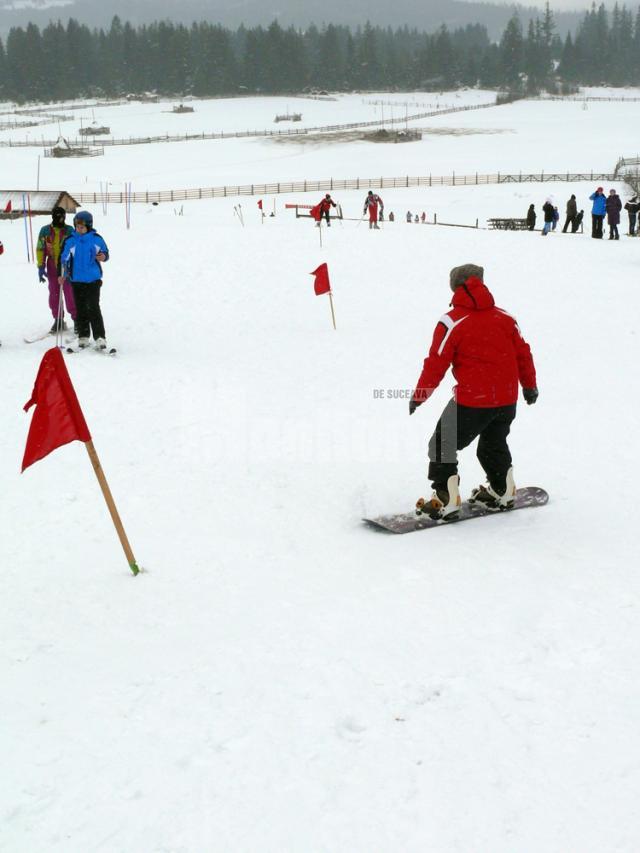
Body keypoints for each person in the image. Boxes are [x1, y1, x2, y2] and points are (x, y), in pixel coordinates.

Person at [409, 263, 538, 520]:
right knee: (492, 445)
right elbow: (523, 354)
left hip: (473, 400)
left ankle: (446, 499)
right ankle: (503, 491)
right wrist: (530, 386)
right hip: (506, 399)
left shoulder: (452, 321)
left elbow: (436, 362)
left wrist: (419, 395)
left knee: (442, 444)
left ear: (456, 287)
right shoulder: (506, 318)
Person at [58, 211, 110, 349]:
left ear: (89, 226)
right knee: (80, 308)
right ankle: (83, 336)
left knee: (93, 307)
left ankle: (100, 337)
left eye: (82, 227)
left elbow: (105, 253)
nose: (79, 229)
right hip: (77, 281)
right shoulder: (70, 241)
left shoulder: (96, 239)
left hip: (93, 280)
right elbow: (63, 258)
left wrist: (103, 257)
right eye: (77, 226)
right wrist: (61, 274)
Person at [36, 206, 76, 334]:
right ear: (52, 216)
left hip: (67, 266)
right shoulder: (45, 231)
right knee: (54, 293)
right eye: (57, 216)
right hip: (52, 265)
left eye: (63, 216)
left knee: (70, 293)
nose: (60, 219)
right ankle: (58, 319)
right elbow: (40, 248)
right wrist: (41, 266)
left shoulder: (70, 230)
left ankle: (77, 319)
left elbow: (75, 249)